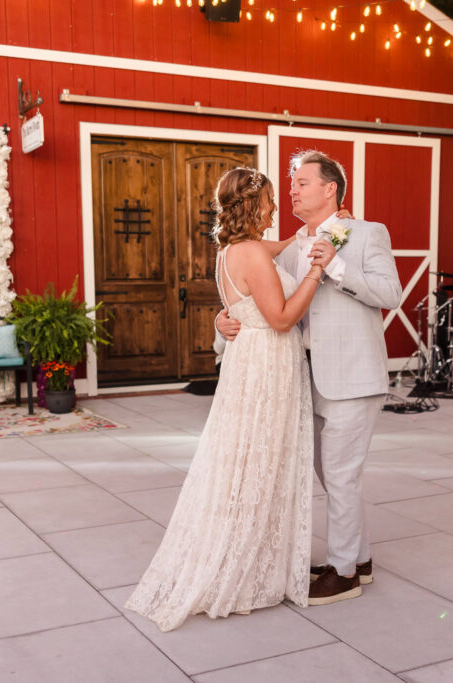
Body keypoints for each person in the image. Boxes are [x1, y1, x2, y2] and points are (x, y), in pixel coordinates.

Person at [125, 168, 322, 632]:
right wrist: (316, 270)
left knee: (246, 461)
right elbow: (281, 319)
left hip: (246, 362)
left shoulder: (231, 250)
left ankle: (253, 557)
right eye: (270, 200)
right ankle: (248, 569)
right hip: (267, 362)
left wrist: (310, 238)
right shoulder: (251, 252)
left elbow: (276, 252)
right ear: (253, 206)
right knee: (261, 461)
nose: (275, 207)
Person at [216, 150, 401, 606]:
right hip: (303, 378)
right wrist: (223, 323)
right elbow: (265, 304)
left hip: (353, 377)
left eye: (300, 183)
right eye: (291, 185)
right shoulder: (293, 243)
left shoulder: (366, 233)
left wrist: (336, 267)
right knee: (330, 473)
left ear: (329, 188)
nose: (292, 191)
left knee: (339, 473)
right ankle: (358, 557)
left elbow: (391, 294)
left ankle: (343, 573)